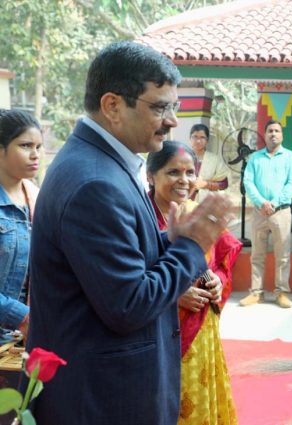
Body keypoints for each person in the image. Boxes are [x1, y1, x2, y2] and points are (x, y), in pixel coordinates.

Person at [26, 41, 233, 425]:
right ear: (113, 106)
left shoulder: (105, 164)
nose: (172, 121)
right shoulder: (94, 182)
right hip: (103, 399)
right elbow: (129, 304)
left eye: (174, 107)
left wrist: (169, 241)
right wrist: (191, 246)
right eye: (160, 107)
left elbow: (123, 261)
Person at [146, 141, 239, 425]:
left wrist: (219, 282)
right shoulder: (141, 218)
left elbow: (224, 259)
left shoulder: (200, 215)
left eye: (189, 172)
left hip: (203, 332)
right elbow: (132, 279)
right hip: (163, 335)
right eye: (173, 172)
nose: (184, 180)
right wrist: (174, 294)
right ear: (151, 176)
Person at [239, 119, 292, 308]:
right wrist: (261, 203)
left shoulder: (290, 157)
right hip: (259, 213)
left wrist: (273, 203)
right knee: (257, 254)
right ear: (264, 135)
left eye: (277, 131)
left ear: (282, 135)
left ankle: (281, 292)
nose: (273, 134)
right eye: (270, 131)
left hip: (281, 212)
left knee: (283, 255)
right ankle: (256, 293)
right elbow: (248, 182)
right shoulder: (255, 158)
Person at [0, 110, 41, 341]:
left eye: (38, 147)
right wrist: (21, 316)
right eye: (25, 146)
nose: (35, 155)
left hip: (20, 339)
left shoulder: (39, 199)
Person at [188, 123, 229, 203]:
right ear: (190, 138)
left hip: (207, 202)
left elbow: (224, 184)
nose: (198, 141)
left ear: (207, 141)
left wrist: (205, 184)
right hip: (185, 201)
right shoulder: (182, 157)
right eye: (195, 137)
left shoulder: (214, 159)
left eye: (202, 137)